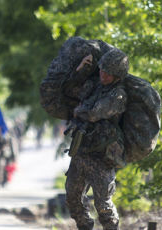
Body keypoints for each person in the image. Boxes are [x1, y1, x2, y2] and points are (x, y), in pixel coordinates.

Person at [65, 48, 128, 230]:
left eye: (108, 73)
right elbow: (70, 91)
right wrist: (80, 70)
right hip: (81, 152)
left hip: (103, 157)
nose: (103, 74)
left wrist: (79, 111)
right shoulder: (94, 86)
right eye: (101, 69)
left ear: (117, 76)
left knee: (103, 205)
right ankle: (85, 227)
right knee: (73, 199)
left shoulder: (118, 95)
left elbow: (94, 113)